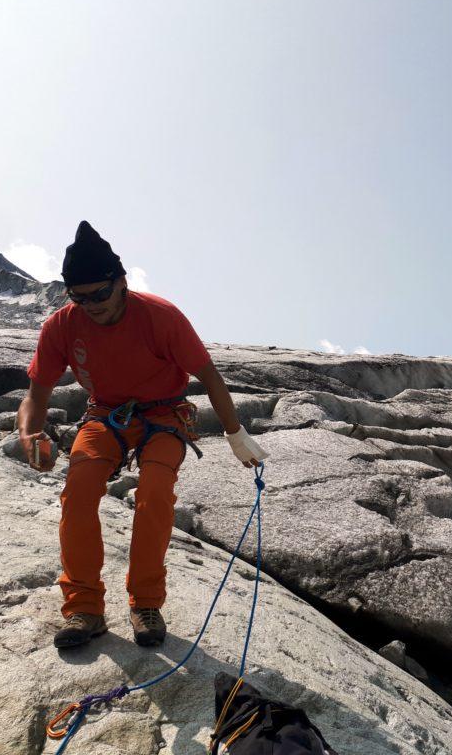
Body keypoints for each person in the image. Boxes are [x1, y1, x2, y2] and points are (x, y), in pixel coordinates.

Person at [18, 221, 268, 649]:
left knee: (155, 493)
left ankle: (145, 604)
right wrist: (31, 433)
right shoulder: (62, 326)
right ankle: (84, 609)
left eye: (99, 294)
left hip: (165, 414)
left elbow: (209, 376)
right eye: (79, 297)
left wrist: (235, 434)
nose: (91, 305)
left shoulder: (161, 317)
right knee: (78, 492)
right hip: (105, 415)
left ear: (122, 283)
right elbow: (35, 393)